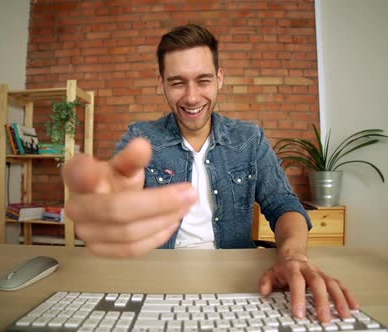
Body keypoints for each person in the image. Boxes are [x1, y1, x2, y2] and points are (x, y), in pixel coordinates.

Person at [62, 24, 358, 322]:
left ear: (219, 78)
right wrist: (109, 205)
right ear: (161, 82)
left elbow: (284, 204)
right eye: (177, 82)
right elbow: (116, 196)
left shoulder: (249, 139)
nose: (191, 98)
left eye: (203, 80)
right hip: (157, 278)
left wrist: (293, 255)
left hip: (237, 280)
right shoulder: (141, 137)